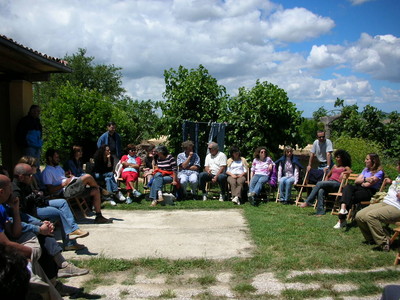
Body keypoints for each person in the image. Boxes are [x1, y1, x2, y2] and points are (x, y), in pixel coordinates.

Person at [0, 174, 65, 300]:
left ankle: (37, 276)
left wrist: (15, 209)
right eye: (9, 188)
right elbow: (5, 244)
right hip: (6, 255)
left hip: (13, 246)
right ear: (1, 192)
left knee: (34, 240)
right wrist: (30, 252)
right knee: (35, 249)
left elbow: (15, 233)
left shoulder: (2, 207)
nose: (12, 191)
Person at [13, 163, 89, 251]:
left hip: (39, 203)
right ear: (21, 177)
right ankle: (69, 242)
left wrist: (37, 195)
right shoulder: (16, 191)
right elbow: (23, 210)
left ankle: (74, 229)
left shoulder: (25, 184)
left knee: (62, 202)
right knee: (58, 213)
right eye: (29, 175)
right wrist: (33, 197)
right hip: (33, 210)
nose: (32, 176)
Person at [41, 149, 112, 224]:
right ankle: (101, 189)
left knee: (95, 191)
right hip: (64, 191)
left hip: (71, 186)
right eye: (56, 157)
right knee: (87, 176)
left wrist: (68, 176)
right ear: (50, 158)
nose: (58, 159)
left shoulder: (58, 167)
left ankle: (99, 216)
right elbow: (50, 190)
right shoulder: (47, 171)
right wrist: (64, 184)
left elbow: (61, 178)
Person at [355, 161, 400, 251]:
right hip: (386, 202)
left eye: (398, 165)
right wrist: (391, 182)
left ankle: (384, 243)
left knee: (371, 216)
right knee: (359, 216)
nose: (397, 167)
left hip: (397, 207)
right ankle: (372, 239)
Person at [335, 153, 385, 229]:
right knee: (347, 187)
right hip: (359, 188)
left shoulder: (379, 172)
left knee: (349, 196)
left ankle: (341, 220)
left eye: (367, 159)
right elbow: (356, 181)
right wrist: (365, 179)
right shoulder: (365, 170)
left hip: (369, 192)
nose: (365, 161)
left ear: (373, 161)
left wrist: (362, 181)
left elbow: (367, 185)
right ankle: (343, 209)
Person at [300, 149, 352, 215]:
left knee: (319, 183)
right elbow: (328, 175)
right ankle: (320, 211)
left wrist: (344, 172)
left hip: (338, 184)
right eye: (336, 157)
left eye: (338, 157)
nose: (336, 158)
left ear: (343, 158)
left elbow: (350, 171)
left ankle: (308, 202)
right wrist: (326, 181)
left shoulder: (345, 167)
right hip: (330, 183)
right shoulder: (334, 166)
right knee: (321, 190)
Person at [16, 104, 43, 169]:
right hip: (29, 147)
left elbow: (40, 133)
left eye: (39, 111)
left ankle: (37, 178)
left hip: (37, 146)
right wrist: (25, 144)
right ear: (32, 111)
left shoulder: (37, 121)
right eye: (37, 111)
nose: (38, 113)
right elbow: (20, 134)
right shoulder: (25, 121)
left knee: (37, 165)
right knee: (30, 165)